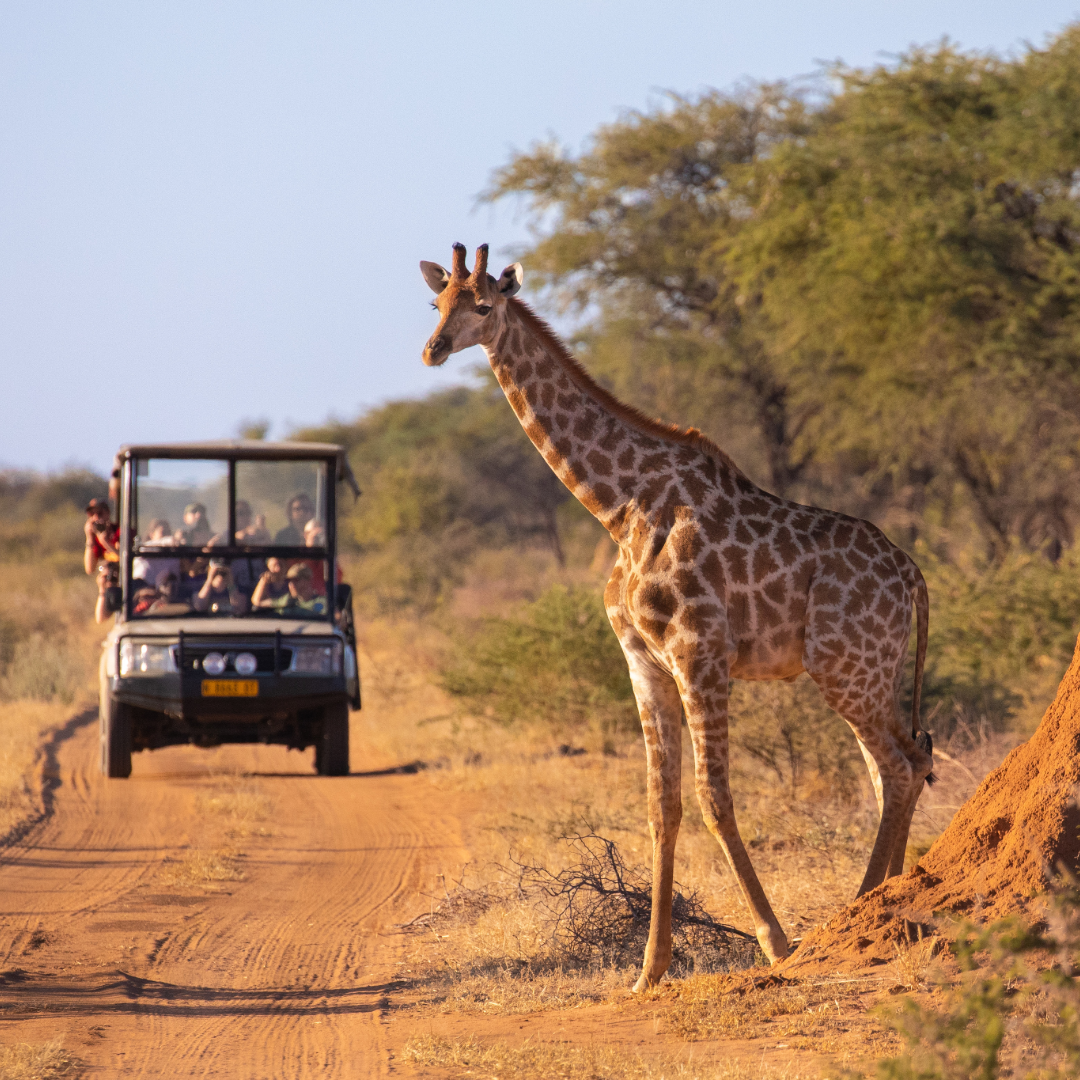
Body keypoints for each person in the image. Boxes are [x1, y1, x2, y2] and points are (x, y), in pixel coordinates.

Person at [261, 562, 327, 614]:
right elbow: (258, 602)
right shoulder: (286, 600)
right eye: (289, 581)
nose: (291, 584)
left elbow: (335, 619)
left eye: (296, 580)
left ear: (308, 581)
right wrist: (264, 580)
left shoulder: (323, 602)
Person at [302, 518, 343, 593]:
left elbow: (337, 581)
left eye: (322, 536)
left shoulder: (328, 561)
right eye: (316, 536)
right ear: (305, 535)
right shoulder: (298, 558)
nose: (319, 541)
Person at [83, 498, 119, 576]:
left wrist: (105, 542)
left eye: (99, 513)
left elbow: (124, 560)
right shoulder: (95, 539)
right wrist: (89, 538)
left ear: (107, 513)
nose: (96, 518)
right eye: (92, 514)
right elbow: (90, 569)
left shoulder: (118, 532)